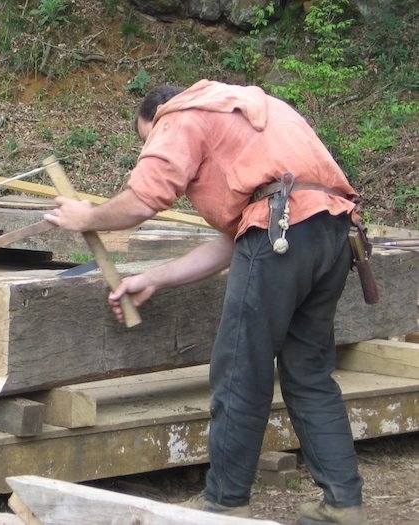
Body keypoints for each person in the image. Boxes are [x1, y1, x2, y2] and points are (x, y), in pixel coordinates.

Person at [43, 79, 368, 525]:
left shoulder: (177, 115)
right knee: (309, 372)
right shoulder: (255, 112)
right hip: (333, 233)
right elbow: (231, 244)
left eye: (148, 139)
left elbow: (142, 200)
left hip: (282, 234)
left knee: (240, 370)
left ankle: (225, 501)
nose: (153, 145)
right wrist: (153, 278)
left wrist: (87, 216)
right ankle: (343, 504)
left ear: (156, 118)